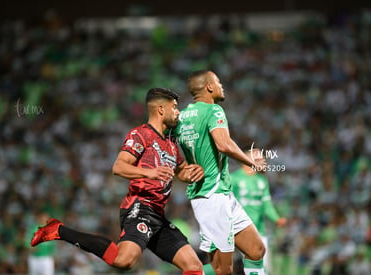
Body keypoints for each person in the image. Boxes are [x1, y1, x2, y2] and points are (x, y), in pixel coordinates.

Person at [30, 87, 205, 275]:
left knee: (194, 266)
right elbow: (119, 167)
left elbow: (181, 172)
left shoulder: (170, 144)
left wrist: (193, 172)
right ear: (161, 109)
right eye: (175, 107)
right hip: (140, 208)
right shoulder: (141, 135)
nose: (178, 113)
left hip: (158, 215)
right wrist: (150, 173)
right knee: (124, 261)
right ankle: (58, 230)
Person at [175, 69, 267, 275]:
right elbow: (223, 144)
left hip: (220, 195)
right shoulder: (213, 110)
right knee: (222, 270)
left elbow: (168, 151)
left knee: (256, 250)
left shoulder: (182, 117)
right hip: (212, 196)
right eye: (218, 82)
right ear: (209, 86)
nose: (221, 85)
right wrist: (250, 162)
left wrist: (180, 170)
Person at [231, 149, 287, 274]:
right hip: (237, 229)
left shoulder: (262, 181)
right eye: (258, 158)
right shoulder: (234, 178)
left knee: (262, 266)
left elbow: (267, 205)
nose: (262, 161)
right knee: (226, 266)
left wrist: (276, 218)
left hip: (258, 230)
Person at [27, 211, 57, 275]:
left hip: (47, 258)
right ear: (39, 218)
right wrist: (31, 247)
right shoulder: (33, 229)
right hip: (34, 258)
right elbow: (27, 241)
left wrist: (54, 255)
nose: (44, 218)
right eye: (43, 217)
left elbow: (54, 245)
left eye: (46, 217)